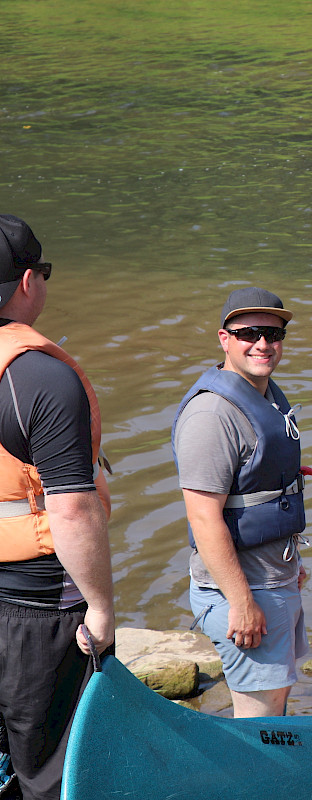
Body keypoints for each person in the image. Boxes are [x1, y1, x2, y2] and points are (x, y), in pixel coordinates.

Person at [0, 215, 114, 800]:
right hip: (37, 607)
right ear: (27, 281)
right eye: (43, 271)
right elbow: (71, 509)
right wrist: (99, 606)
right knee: (54, 773)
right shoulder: (39, 377)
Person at [172, 287, 311, 719]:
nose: (263, 344)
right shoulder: (212, 415)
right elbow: (203, 517)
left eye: (274, 333)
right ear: (224, 338)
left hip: (272, 578)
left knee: (276, 706)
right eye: (248, 332)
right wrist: (242, 603)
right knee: (261, 726)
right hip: (243, 592)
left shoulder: (265, 395)